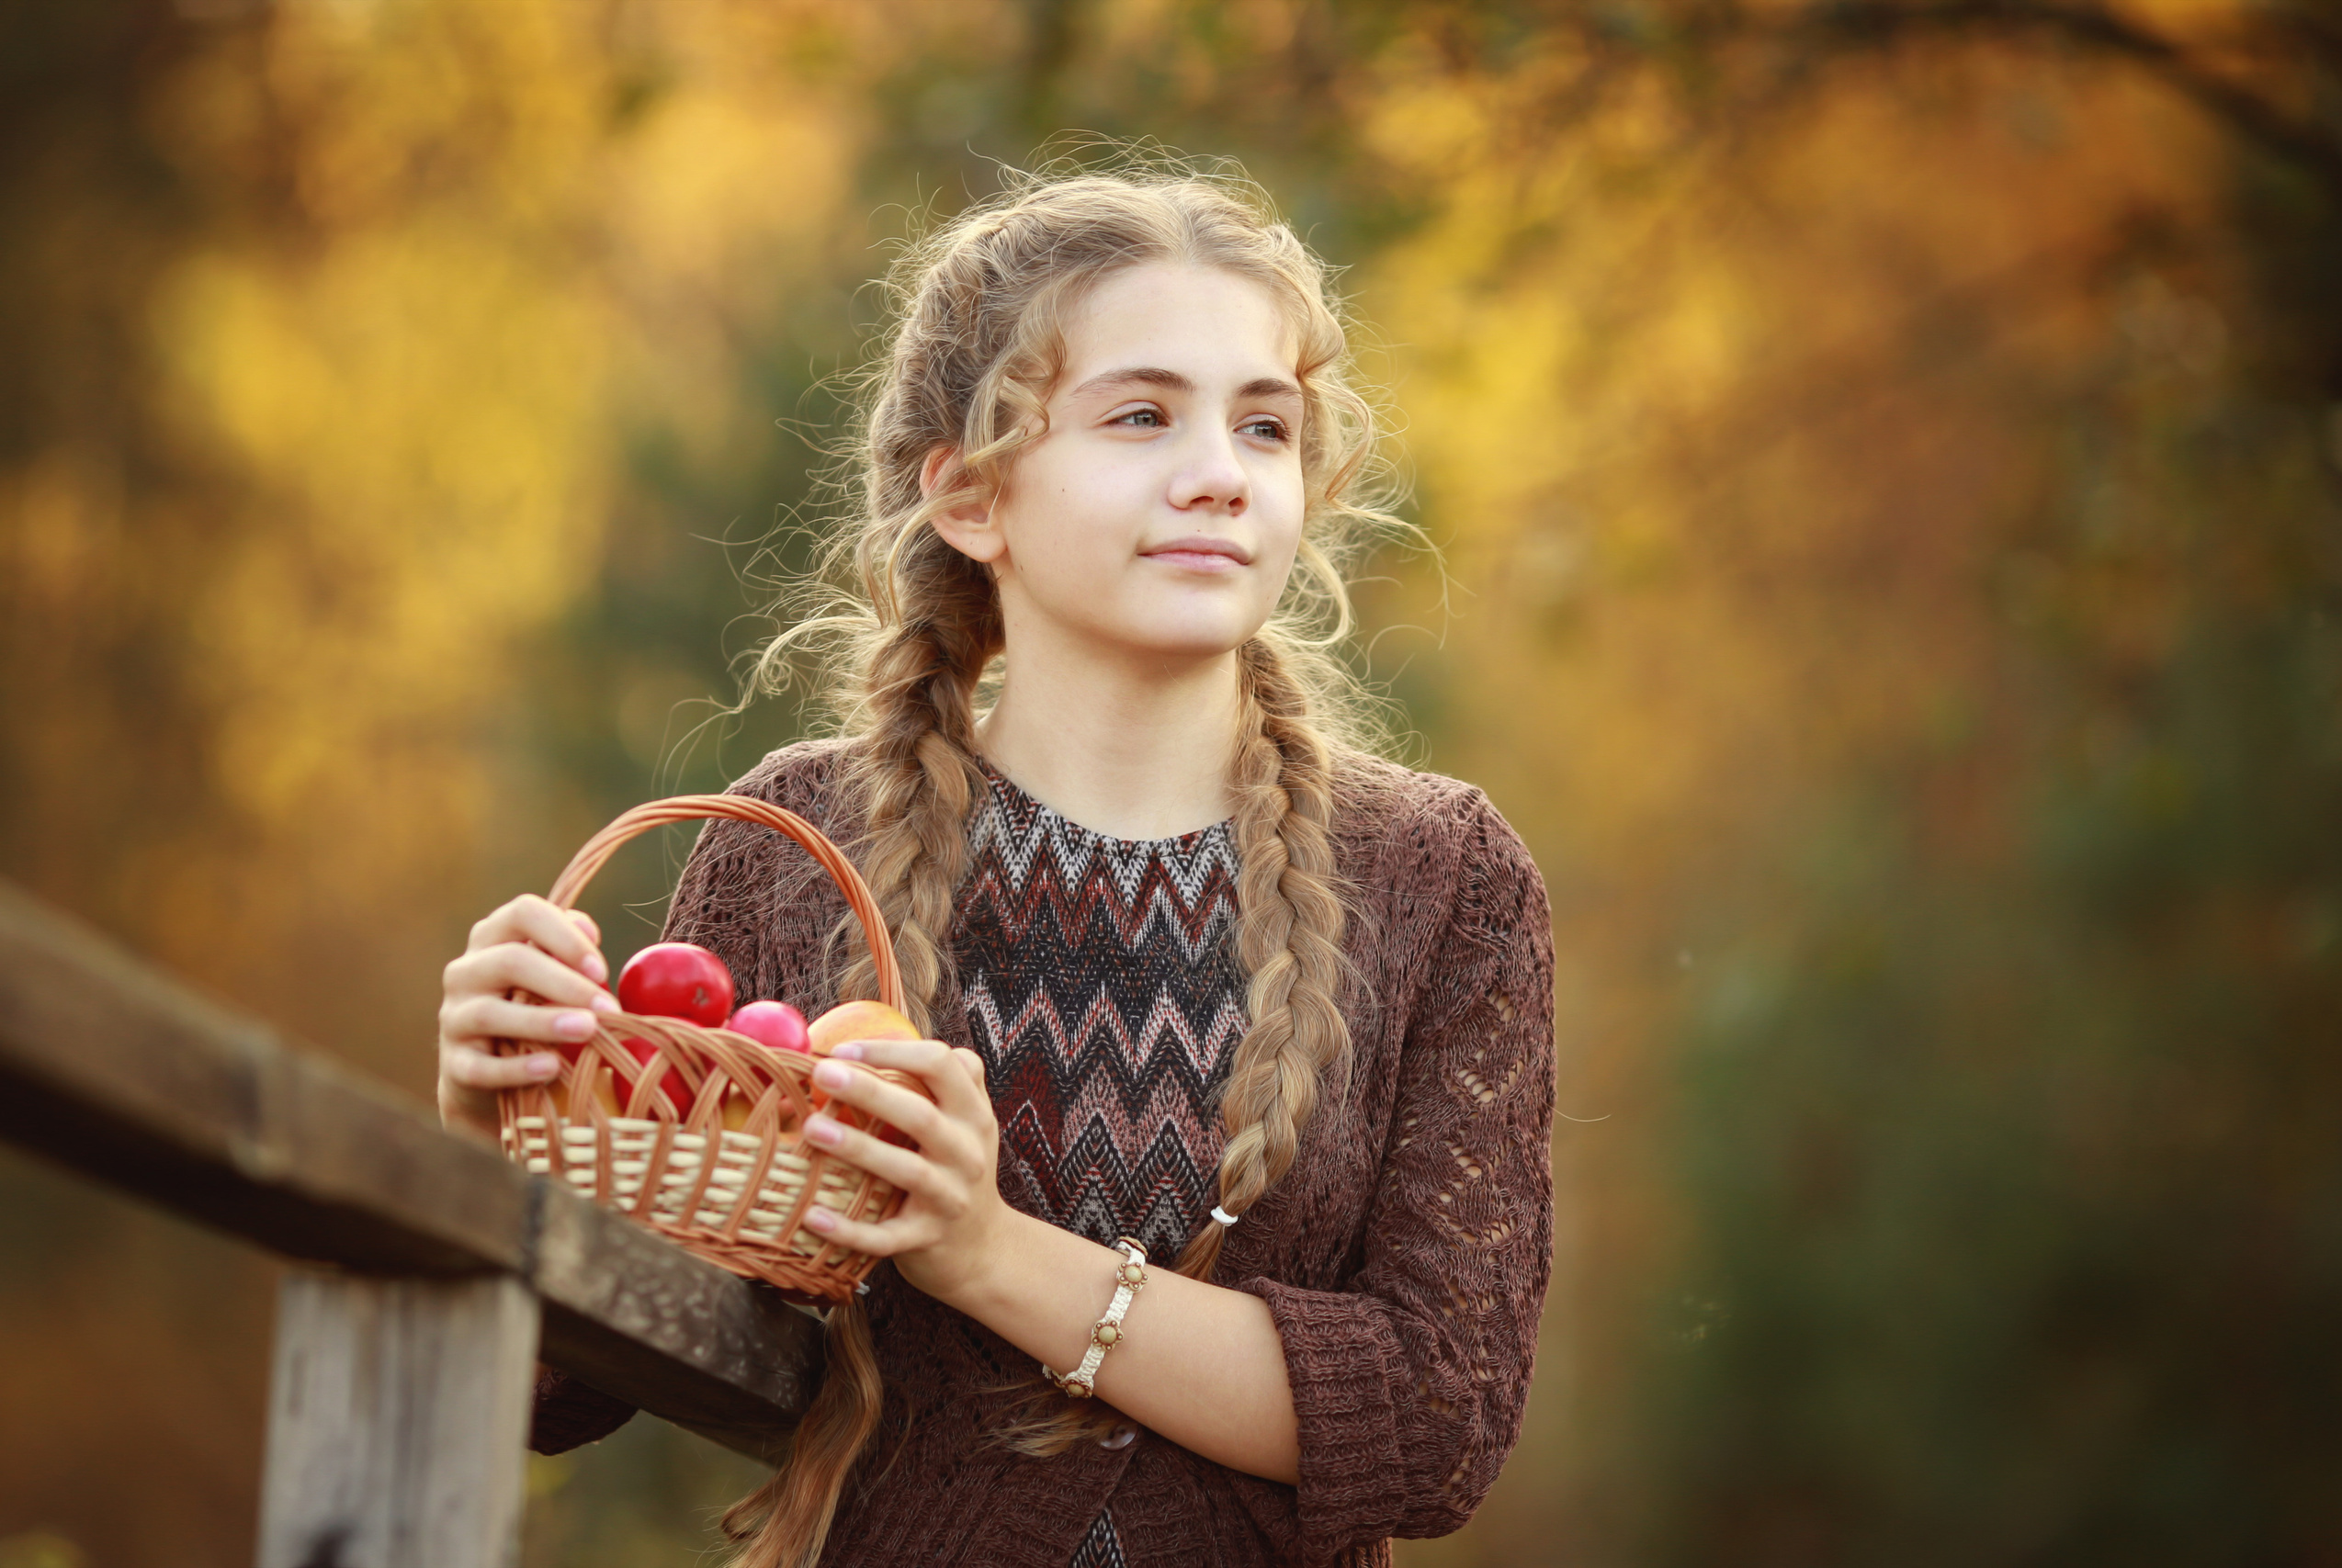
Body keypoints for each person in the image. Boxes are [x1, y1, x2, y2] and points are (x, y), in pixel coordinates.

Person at [435, 164, 1555, 1568]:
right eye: (1142, 414)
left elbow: (1437, 1423)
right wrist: (500, 1134)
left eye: (1262, 426)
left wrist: (987, 1253)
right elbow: (568, 1384)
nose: (1217, 468)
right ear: (970, 497)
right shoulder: (793, 854)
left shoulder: (1445, 879)